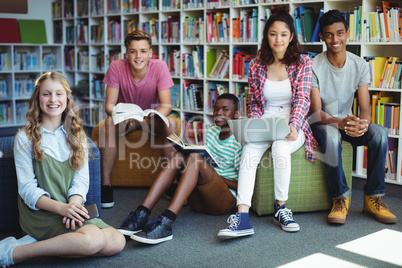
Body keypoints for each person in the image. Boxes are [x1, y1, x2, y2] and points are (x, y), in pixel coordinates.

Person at [0, 72, 125, 267]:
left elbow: (81, 181)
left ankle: (49, 244)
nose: (53, 100)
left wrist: (73, 207)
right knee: (94, 239)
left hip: (69, 208)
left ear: (67, 98)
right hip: (41, 213)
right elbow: (27, 190)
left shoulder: (77, 136)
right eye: (46, 94)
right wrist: (62, 208)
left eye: (59, 94)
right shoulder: (24, 138)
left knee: (117, 241)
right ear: (37, 98)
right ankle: (15, 253)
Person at [218, 5, 317, 237]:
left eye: (283, 34)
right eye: (273, 34)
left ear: (291, 36)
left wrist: (293, 125)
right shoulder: (256, 64)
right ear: (266, 36)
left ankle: (281, 208)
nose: (278, 39)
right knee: (250, 151)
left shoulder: (303, 62)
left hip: (293, 122)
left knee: (281, 149)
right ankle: (242, 216)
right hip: (265, 121)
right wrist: (254, 124)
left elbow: (303, 98)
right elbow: (252, 101)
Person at [309, 9, 397, 224]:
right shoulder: (313, 65)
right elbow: (316, 113)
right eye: (329, 34)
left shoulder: (359, 64)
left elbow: (365, 108)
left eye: (339, 33)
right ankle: (340, 198)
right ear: (322, 37)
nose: (335, 39)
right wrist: (340, 123)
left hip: (347, 123)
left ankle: (373, 198)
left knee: (379, 133)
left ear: (347, 33)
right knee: (332, 136)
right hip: (324, 123)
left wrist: (362, 124)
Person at [118, 93, 242, 244]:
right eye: (216, 109)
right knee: (179, 156)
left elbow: (242, 185)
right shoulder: (212, 132)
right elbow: (208, 160)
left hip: (223, 202)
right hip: (201, 201)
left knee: (195, 159)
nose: (219, 113)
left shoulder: (239, 141)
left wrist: (213, 175)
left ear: (236, 114)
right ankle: (141, 214)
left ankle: (167, 222)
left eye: (225, 110)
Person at [100, 30, 177, 208]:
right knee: (109, 123)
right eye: (133, 51)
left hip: (149, 120)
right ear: (126, 54)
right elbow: (109, 105)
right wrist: (124, 115)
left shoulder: (160, 67)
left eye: (143, 51)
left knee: (172, 122)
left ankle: (171, 183)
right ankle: (106, 185)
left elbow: (167, 105)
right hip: (126, 120)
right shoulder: (116, 67)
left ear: (151, 53)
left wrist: (150, 115)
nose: (138, 56)